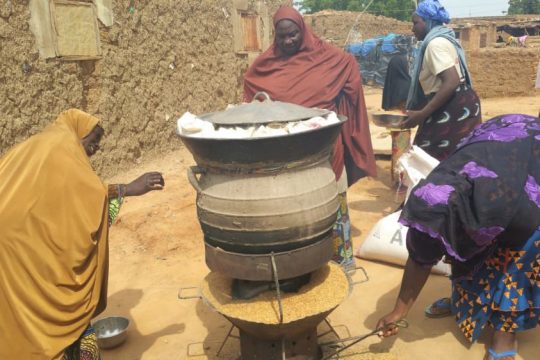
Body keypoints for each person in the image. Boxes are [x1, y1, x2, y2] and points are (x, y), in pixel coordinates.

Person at [0, 109, 165, 359]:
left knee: (21, 312)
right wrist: (128, 189)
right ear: (78, 132)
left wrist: (126, 189)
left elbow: (78, 194)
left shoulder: (41, 145)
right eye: (93, 139)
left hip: (13, 246)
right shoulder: (61, 147)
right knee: (59, 309)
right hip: (24, 246)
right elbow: (88, 204)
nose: (96, 147)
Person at [375, 114, 540, 360]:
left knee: (516, 258)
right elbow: (421, 257)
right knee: (462, 249)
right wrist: (398, 312)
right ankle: (466, 304)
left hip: (526, 176)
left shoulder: (520, 206)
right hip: (496, 141)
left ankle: (505, 331)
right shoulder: (435, 197)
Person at [243, 6, 377, 270]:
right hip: (285, 154)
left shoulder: (327, 57)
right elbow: (251, 92)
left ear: (302, 30)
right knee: (294, 214)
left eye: (293, 34)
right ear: (275, 36)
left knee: (334, 206)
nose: (288, 41)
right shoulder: (266, 64)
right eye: (282, 37)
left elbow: (349, 67)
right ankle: (301, 266)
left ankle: (343, 263)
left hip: (325, 149)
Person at [402, 0, 481, 162]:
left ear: (428, 21)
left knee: (426, 157)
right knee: (455, 157)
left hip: (452, 106)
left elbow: (451, 81)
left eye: (416, 23)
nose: (412, 28)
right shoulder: (446, 40)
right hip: (459, 102)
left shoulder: (435, 44)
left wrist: (422, 114)